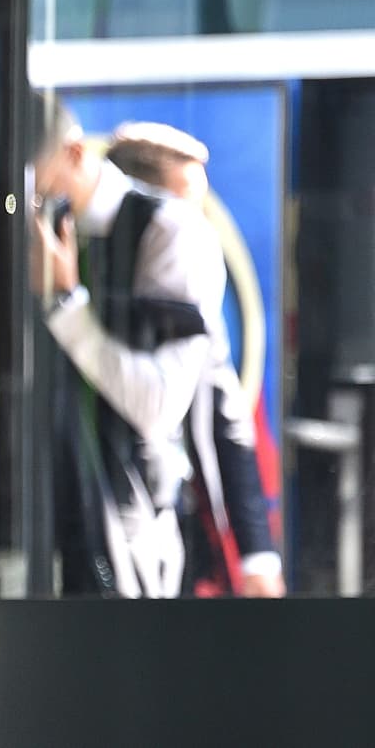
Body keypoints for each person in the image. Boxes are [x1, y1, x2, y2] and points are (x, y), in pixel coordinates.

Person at [28, 92, 224, 599]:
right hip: (42, 526)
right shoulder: (36, 231)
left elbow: (158, 406)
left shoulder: (172, 232)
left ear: (73, 154)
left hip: (130, 541)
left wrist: (67, 304)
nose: (36, 210)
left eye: (39, 190)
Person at [105, 122, 284, 598]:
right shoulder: (93, 286)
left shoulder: (194, 307)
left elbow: (224, 413)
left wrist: (256, 555)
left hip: (173, 526)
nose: (193, 232)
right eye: (183, 209)